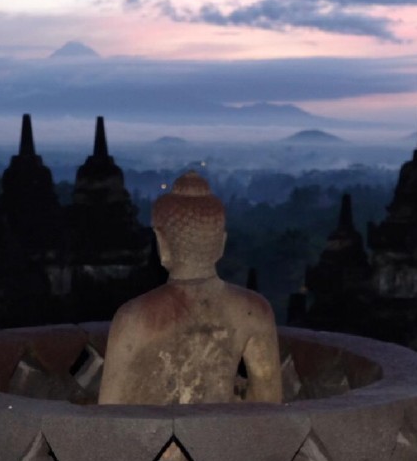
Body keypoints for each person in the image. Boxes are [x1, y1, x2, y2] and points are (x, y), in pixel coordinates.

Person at [98, 171, 282, 405]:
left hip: (151, 440)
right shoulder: (255, 311)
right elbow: (268, 404)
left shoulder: (133, 317)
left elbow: (109, 412)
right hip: (224, 436)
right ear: (221, 244)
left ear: (162, 243)